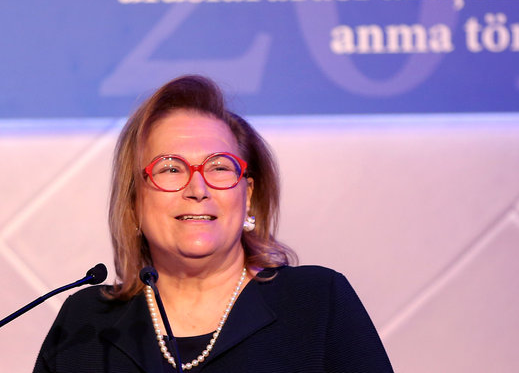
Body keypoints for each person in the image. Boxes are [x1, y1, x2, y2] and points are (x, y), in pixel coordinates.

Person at [33, 75, 393, 372]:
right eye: (170, 169)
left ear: (247, 195)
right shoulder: (84, 324)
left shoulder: (317, 302)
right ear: (134, 202)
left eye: (219, 167)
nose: (198, 189)